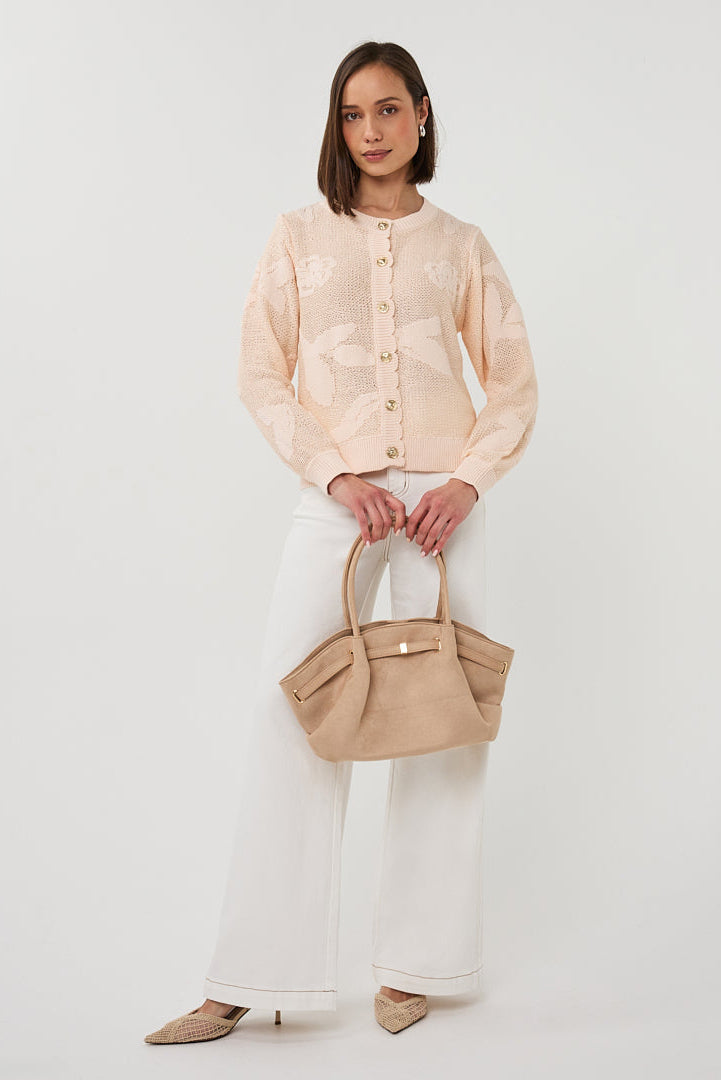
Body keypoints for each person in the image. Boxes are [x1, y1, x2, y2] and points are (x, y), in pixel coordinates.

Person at [144, 39, 538, 1044]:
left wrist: (464, 481)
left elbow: (514, 383)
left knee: (441, 724)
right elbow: (260, 374)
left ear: (421, 114)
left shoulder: (462, 244)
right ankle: (247, 974)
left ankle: (417, 965)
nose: (370, 132)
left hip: (444, 515)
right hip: (340, 505)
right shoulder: (294, 238)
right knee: (290, 712)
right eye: (353, 115)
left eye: (388, 111)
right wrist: (336, 475)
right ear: (338, 126)